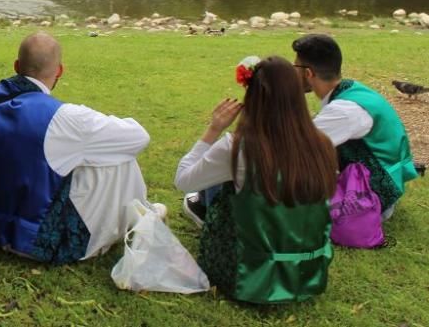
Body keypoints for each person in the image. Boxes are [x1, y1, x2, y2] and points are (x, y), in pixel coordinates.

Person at [0, 32, 156, 264]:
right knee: (120, 159)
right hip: (29, 241)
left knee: (84, 154)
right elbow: (139, 137)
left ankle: (141, 213)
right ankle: (140, 214)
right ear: (60, 71)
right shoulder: (66, 118)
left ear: (16, 66)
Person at [175, 56, 338, 304]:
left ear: (252, 96)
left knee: (215, 186)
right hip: (309, 272)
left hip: (251, 277)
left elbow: (183, 181)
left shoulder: (239, 146)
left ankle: (198, 209)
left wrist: (213, 130)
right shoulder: (322, 143)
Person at [292, 34, 417, 219]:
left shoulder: (343, 111)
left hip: (370, 198)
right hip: (382, 183)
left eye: (295, 67)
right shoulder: (351, 90)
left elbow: (292, 146)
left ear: (308, 73)